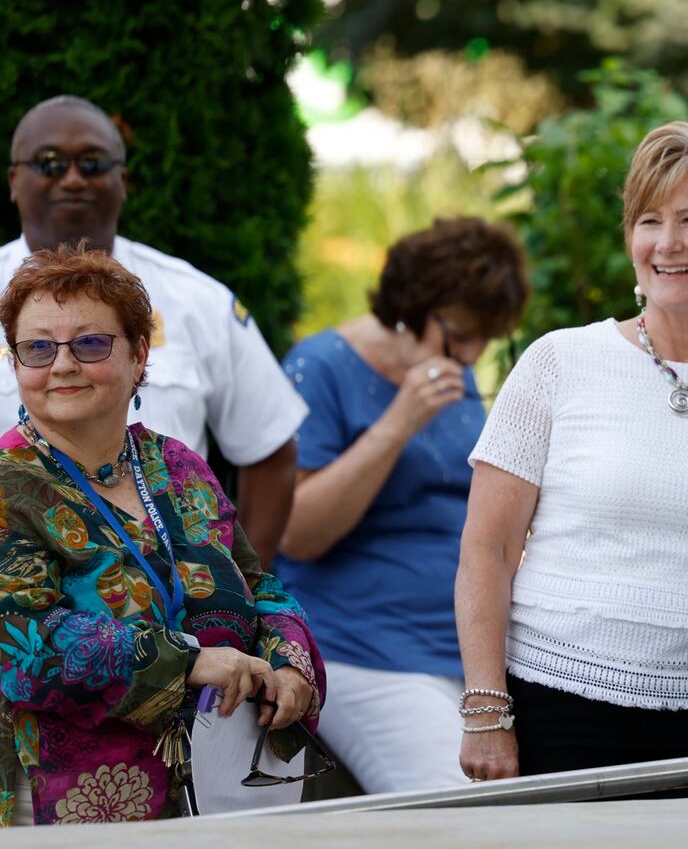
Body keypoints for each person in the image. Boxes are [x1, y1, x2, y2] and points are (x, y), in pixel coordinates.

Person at [456, 122, 688, 792]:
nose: (667, 243)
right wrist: (487, 711)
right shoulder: (556, 363)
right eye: (649, 221)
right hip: (562, 714)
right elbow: (486, 550)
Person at [0, 245, 324, 825]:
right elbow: (21, 640)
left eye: (91, 343)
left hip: (225, 790)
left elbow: (259, 585)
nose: (63, 365)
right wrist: (186, 662)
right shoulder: (8, 485)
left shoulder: (179, 467)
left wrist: (290, 662)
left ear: (140, 353)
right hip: (74, 806)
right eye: (38, 348)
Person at [273, 217, 529, 793]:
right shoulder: (322, 367)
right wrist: (398, 424)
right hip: (364, 651)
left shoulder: (452, 375)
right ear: (413, 305)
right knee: (460, 811)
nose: (469, 357)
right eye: (460, 335)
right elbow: (299, 533)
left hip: (467, 651)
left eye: (486, 341)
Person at [1, 96, 306, 566]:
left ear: (122, 181)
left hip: (185, 604)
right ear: (14, 181)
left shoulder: (196, 299)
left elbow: (269, 449)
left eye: (93, 161)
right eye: (49, 163)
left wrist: (239, 589)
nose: (73, 177)